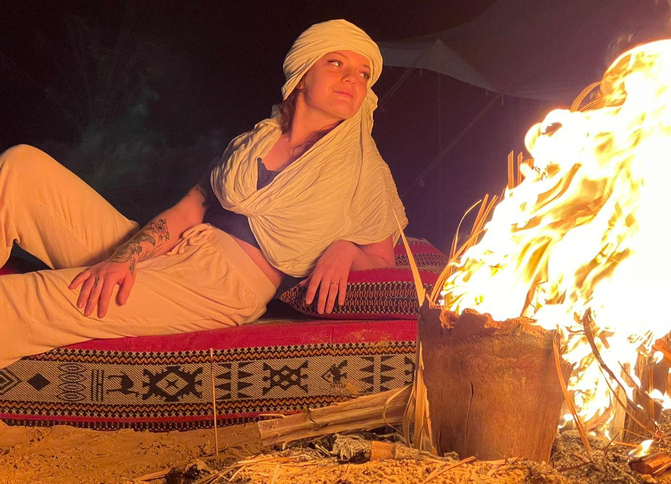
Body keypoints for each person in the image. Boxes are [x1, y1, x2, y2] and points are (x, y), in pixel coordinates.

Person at [0, 19, 407, 368]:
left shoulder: (363, 168)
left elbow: (383, 261)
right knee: (22, 166)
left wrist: (346, 250)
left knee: (25, 300)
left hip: (221, 284)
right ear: (302, 75)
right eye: (337, 63)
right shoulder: (252, 142)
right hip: (177, 251)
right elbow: (184, 214)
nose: (352, 79)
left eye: (363, 73)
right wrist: (123, 260)